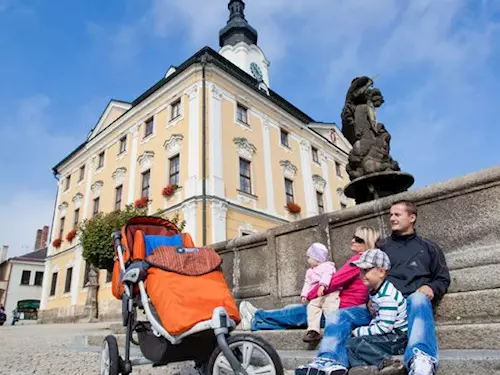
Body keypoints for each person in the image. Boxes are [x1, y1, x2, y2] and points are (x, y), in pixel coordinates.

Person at [295, 200, 451, 375]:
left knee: (418, 299)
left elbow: (443, 279)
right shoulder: (382, 247)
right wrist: (369, 298)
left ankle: (421, 358)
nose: (391, 218)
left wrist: (431, 287)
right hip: (378, 305)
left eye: (397, 214)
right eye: (390, 214)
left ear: (412, 217)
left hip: (409, 303)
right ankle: (328, 360)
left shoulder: (429, 247)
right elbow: (368, 278)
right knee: (339, 315)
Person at [238, 226, 380, 333]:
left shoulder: (359, 259)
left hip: (340, 307)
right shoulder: (372, 261)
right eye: (354, 237)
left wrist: (311, 295)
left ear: (368, 242)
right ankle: (255, 323)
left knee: (298, 313)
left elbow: (334, 281)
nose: (353, 240)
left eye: (359, 239)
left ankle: (257, 314)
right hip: (350, 308)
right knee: (297, 316)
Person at [346, 249, 408, 375]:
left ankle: (388, 363)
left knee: (357, 342)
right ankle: (366, 370)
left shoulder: (387, 296)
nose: (361, 274)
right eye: (360, 270)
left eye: (366, 270)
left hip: (396, 338)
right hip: (388, 335)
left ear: (381, 272)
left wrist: (359, 331)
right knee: (349, 344)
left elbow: (385, 327)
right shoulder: (376, 290)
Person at [300, 243, 339, 343]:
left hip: (329, 294)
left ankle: (334, 329)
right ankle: (313, 331)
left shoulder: (328, 266)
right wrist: (304, 294)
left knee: (330, 308)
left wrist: (322, 285)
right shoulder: (309, 271)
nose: (307, 260)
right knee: (311, 308)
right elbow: (307, 283)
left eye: (309, 257)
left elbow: (328, 275)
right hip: (316, 297)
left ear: (317, 258)